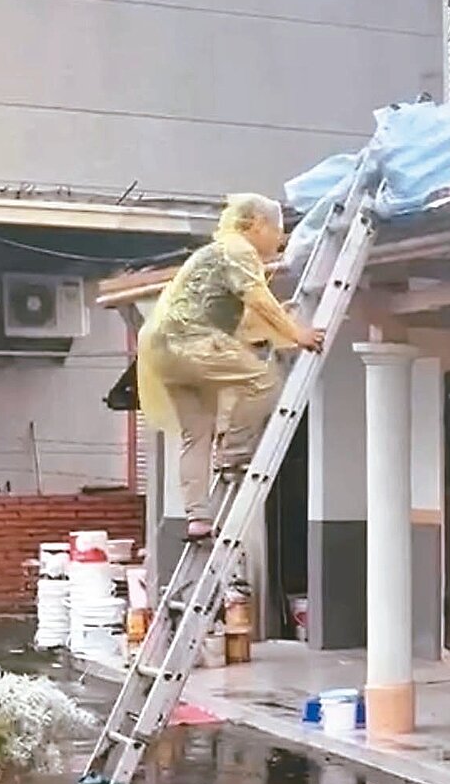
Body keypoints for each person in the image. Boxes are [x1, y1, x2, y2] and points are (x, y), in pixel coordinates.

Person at [137, 193, 325, 541]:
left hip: (164, 349)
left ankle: (196, 518)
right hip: (192, 340)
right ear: (257, 224)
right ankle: (235, 453)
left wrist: (283, 322)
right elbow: (256, 298)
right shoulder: (238, 250)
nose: (280, 239)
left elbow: (246, 317)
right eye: (277, 230)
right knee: (265, 382)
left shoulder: (212, 254)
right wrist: (297, 333)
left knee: (197, 433)